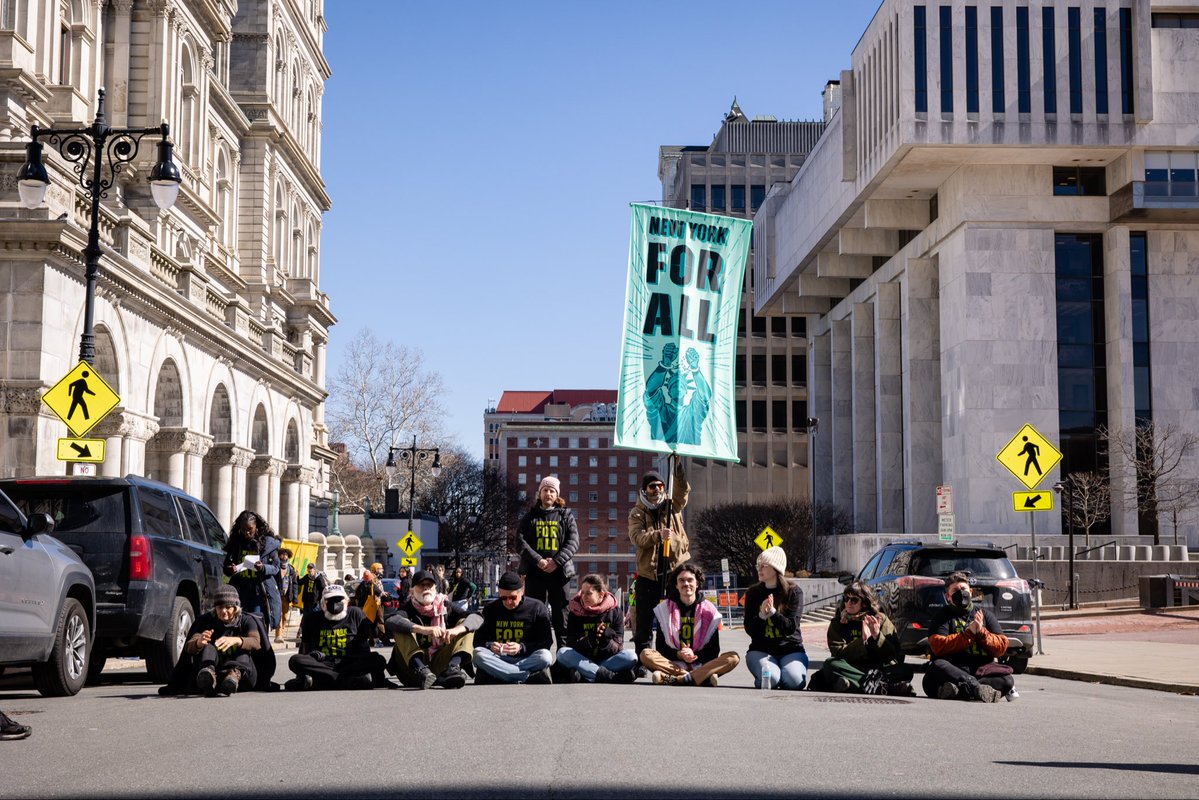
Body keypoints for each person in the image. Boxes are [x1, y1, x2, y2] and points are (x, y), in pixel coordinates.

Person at [628, 460, 690, 657]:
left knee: (673, 620)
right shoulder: (637, 512)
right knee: (644, 622)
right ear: (645, 490)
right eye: (652, 486)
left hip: (674, 572)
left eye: (660, 485)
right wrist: (657, 535)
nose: (657, 489)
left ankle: (670, 657)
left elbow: (683, 490)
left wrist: (678, 469)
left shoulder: (674, 505)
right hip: (648, 575)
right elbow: (637, 538)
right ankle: (643, 659)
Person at [641, 563, 739, 686]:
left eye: (690, 580)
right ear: (676, 585)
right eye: (681, 580)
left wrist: (694, 655)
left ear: (697, 583)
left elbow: (713, 651)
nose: (686, 584)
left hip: (700, 662)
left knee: (733, 658)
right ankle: (700, 677)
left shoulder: (709, 611)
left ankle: (674, 678)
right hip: (674, 663)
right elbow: (661, 648)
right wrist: (679, 654)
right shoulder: (665, 610)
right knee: (646, 654)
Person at [808, 581, 914, 695]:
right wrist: (863, 641)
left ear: (864, 603)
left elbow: (894, 655)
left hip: (877, 669)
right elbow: (838, 653)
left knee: (906, 670)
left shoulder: (880, 620)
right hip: (852, 667)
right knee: (830, 664)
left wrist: (877, 637)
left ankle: (853, 684)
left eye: (854, 600)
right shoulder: (838, 623)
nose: (848, 603)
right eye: (846, 599)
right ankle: (882, 688)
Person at [922, 572, 1014, 702]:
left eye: (964, 589)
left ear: (971, 591)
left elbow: (1001, 646)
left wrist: (982, 632)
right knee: (935, 668)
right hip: (953, 671)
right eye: (955, 590)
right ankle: (975, 688)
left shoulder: (985, 615)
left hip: (981, 670)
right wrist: (969, 635)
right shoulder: (941, 617)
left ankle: (961, 691)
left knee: (1007, 680)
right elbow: (938, 646)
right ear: (948, 596)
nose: (961, 593)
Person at [158, 585, 265, 696]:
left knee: (243, 650)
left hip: (243, 679)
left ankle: (233, 676)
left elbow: (256, 642)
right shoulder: (205, 621)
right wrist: (198, 643)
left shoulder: (246, 621)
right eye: (219, 607)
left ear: (235, 608)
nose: (223, 611)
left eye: (228, 607)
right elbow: (189, 647)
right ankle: (208, 675)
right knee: (208, 647)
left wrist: (236, 640)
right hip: (216, 674)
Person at [385, 570, 481, 689]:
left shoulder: (445, 606)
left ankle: (452, 668)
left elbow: (477, 617)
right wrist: (423, 629)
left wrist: (456, 630)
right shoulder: (407, 608)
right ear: (412, 591)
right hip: (412, 670)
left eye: (429, 585)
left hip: (440, 663)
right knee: (401, 626)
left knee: (465, 625)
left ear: (435, 589)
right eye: (421, 585)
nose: (426, 588)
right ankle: (421, 669)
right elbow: (390, 620)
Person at [286, 584, 390, 691]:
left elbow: (364, 646)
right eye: (330, 600)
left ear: (346, 601)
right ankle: (344, 681)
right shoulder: (312, 618)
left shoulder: (355, 614)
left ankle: (321, 682)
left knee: (378, 659)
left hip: (349, 664)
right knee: (295, 660)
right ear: (323, 603)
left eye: (339, 599)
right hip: (322, 664)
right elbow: (304, 647)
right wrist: (311, 657)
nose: (335, 603)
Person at [517, 475, 579, 649]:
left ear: (557, 494)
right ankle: (536, 652)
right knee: (534, 613)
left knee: (562, 616)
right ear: (540, 493)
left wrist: (557, 561)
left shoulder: (566, 516)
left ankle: (564, 655)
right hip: (535, 573)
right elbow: (519, 542)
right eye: (545, 490)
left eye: (552, 491)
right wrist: (538, 561)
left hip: (560, 574)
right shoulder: (529, 517)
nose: (548, 493)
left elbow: (573, 542)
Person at [742, 547, 808, 690]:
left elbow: (791, 627)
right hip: (761, 650)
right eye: (757, 565)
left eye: (764, 565)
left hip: (791, 649)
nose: (759, 569)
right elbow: (749, 629)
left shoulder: (793, 592)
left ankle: (782, 675)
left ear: (776, 568)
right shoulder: (753, 593)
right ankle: (770, 677)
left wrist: (773, 613)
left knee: (794, 682)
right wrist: (761, 616)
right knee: (770, 679)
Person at [472, 571, 554, 684]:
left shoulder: (537, 607)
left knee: (545, 657)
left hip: (526, 658)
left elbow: (546, 642)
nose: (508, 602)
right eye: (503, 598)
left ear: (522, 592)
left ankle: (501, 674)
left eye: (513, 597)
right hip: (499, 657)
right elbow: (478, 641)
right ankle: (525, 676)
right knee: (478, 654)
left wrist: (521, 647)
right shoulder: (490, 609)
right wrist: (490, 645)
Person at [556, 573, 638, 683]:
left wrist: (607, 641)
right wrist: (589, 640)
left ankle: (586, 674)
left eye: (588, 593)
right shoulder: (574, 612)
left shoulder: (615, 612)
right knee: (562, 653)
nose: (583, 597)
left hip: (606, 660)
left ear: (601, 594)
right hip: (583, 659)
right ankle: (610, 676)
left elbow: (619, 648)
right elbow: (571, 644)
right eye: (582, 592)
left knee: (631, 656)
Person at [222, 510, 282, 632]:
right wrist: (230, 569)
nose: (246, 532)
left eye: (250, 529)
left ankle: (258, 647)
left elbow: (276, 567)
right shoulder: (236, 543)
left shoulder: (268, 544)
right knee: (239, 622)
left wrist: (263, 568)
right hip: (240, 589)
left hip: (259, 590)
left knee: (256, 622)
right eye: (243, 529)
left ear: (257, 527)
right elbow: (226, 566)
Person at [275, 548, 299, 642]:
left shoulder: (291, 569)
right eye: (282, 554)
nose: (284, 556)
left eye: (286, 555)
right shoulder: (276, 567)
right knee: (278, 614)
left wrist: (295, 598)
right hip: (277, 595)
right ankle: (278, 635)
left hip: (287, 596)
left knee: (285, 616)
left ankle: (282, 631)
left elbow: (295, 584)